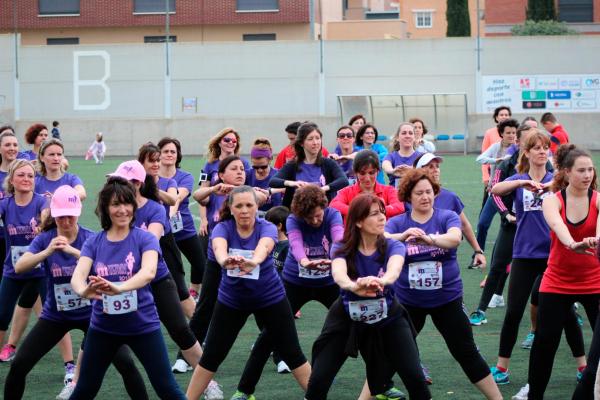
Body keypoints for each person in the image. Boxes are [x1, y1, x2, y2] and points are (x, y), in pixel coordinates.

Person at [4, 185, 148, 400]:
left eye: (70, 216)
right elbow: (20, 266)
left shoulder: (92, 239)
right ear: (54, 215)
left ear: (78, 213)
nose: (66, 222)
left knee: (126, 365)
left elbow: (105, 266)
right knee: (19, 365)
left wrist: (73, 251)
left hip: (95, 317)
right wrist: (48, 251)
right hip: (55, 316)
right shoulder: (46, 239)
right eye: (61, 217)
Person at [382, 168, 501, 399]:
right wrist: (404, 235)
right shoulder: (397, 223)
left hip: (447, 300)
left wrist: (430, 239)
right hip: (408, 303)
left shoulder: (446, 216)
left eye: (429, 192)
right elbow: (381, 239)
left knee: (466, 352)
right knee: (391, 354)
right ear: (408, 196)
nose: (425, 197)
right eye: (419, 193)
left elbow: (455, 238)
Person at [108, 161, 223, 399]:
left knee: (180, 329)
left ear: (138, 184)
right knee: (99, 332)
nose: (115, 185)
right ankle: (75, 381)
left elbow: (149, 241)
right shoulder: (112, 208)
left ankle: (208, 383)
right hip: (123, 280)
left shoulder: (154, 209)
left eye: (121, 181)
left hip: (156, 278)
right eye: (115, 180)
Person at [186, 186, 312, 400]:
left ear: (256, 207)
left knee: (292, 353)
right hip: (231, 303)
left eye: (249, 205)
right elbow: (219, 248)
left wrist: (253, 261)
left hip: (271, 299)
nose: (244, 210)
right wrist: (225, 260)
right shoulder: (222, 228)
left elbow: (264, 246)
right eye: (239, 206)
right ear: (231, 209)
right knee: (211, 357)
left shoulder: (267, 228)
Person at [305, 193, 431, 400]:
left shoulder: (394, 245)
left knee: (415, 378)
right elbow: (338, 274)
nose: (383, 218)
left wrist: (382, 281)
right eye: (375, 214)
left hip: (388, 317)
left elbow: (394, 270)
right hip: (346, 317)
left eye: (382, 213)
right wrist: (354, 286)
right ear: (359, 221)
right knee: (319, 380)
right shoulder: (341, 246)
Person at [69, 178, 186, 399]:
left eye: (127, 203)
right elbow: (78, 276)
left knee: (167, 388)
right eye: (115, 204)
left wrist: (118, 287)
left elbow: (149, 272)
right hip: (103, 328)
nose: (122, 210)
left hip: (143, 326)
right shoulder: (94, 242)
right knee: (85, 388)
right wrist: (84, 291)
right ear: (105, 208)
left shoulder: (145, 238)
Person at [488, 131, 585, 386]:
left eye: (546, 148)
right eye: (537, 148)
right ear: (527, 152)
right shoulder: (518, 179)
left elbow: (578, 192)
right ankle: (502, 367)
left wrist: (551, 187)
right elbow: (495, 189)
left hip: (555, 256)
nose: (542, 151)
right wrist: (521, 184)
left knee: (565, 314)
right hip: (524, 254)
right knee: (513, 312)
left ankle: (582, 365)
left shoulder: (559, 180)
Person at [232, 185, 343, 400]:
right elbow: (296, 244)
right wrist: (304, 262)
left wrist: (334, 258)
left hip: (329, 282)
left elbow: (338, 239)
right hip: (295, 282)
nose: (314, 221)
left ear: (324, 207)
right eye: (309, 218)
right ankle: (244, 390)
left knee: (363, 325)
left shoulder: (333, 215)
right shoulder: (293, 219)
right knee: (269, 335)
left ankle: (382, 384)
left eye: (318, 216)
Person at [519, 145, 600, 399]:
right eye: (581, 170)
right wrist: (571, 243)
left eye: (590, 169)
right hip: (557, 282)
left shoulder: (598, 198)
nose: (587, 175)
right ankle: (535, 395)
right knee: (545, 343)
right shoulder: (552, 200)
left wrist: (596, 241)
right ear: (566, 172)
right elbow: (556, 223)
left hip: (595, 282)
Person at [182, 157, 267, 372]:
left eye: (242, 169)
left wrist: (238, 192)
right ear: (221, 174)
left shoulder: (249, 191)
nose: (240, 172)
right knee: (206, 305)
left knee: (263, 306)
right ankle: (186, 356)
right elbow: (197, 195)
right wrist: (214, 189)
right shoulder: (215, 190)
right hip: (218, 258)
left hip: (249, 257)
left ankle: (276, 351)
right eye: (234, 169)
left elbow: (263, 196)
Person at [469, 124, 539, 326]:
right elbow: (495, 192)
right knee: (498, 264)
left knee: (550, 267)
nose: (531, 145)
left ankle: (570, 310)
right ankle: (481, 309)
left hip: (537, 228)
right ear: (518, 142)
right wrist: (507, 215)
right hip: (511, 225)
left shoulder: (546, 167)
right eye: (526, 140)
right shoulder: (506, 164)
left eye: (534, 141)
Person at [137, 143, 194, 317]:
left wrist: (149, 187)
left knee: (180, 288)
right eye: (151, 161)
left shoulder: (169, 182)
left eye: (157, 160)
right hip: (138, 241)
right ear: (142, 163)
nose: (155, 164)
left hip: (164, 240)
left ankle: (199, 330)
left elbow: (172, 199)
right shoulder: (133, 183)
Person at [0, 160, 49, 361]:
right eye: (21, 175)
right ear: (11, 179)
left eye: (30, 175)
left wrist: (43, 224)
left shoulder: (41, 201)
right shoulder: (5, 204)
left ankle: (70, 365)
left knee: (54, 316)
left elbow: (46, 215)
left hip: (41, 272)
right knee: (2, 316)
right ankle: (8, 347)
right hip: (14, 271)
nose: (26, 179)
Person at [158, 137, 206, 302]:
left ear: (178, 155)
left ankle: (195, 292)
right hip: (161, 233)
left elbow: (177, 197)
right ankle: (172, 299)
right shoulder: (152, 179)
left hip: (184, 229)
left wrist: (170, 214)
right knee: (171, 270)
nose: (170, 154)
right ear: (158, 154)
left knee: (201, 264)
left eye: (173, 151)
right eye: (166, 151)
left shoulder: (185, 177)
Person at [472, 118, 519, 265]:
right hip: (495, 193)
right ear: (502, 134)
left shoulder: (519, 149)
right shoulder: (496, 147)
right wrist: (497, 160)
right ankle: (477, 256)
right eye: (508, 133)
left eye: (514, 133)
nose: (512, 135)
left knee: (507, 228)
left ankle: (508, 260)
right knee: (482, 224)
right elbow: (480, 159)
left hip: (513, 195)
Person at [270, 122, 348, 208]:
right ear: (301, 143)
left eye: (318, 138)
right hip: (298, 214)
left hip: (324, 213)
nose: (315, 142)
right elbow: (273, 181)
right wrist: (292, 183)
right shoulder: (292, 165)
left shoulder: (328, 163)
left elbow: (343, 180)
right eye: (310, 139)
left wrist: (322, 189)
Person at [330, 149, 404, 222]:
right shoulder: (346, 192)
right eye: (362, 173)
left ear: (378, 171)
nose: (367, 178)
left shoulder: (389, 190)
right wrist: (359, 211)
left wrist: (372, 211)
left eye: (371, 173)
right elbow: (334, 205)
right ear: (355, 173)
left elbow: (399, 206)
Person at [245, 138, 283, 217]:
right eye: (255, 167)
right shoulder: (247, 175)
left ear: (270, 160)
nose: (260, 170)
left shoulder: (279, 175)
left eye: (263, 167)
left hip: (273, 217)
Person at [382, 122, 422, 188]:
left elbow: (425, 170)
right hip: (395, 196)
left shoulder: (421, 157)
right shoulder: (391, 156)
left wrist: (412, 171)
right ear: (397, 137)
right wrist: (393, 171)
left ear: (414, 137)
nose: (407, 136)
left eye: (410, 133)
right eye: (404, 133)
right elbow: (385, 165)